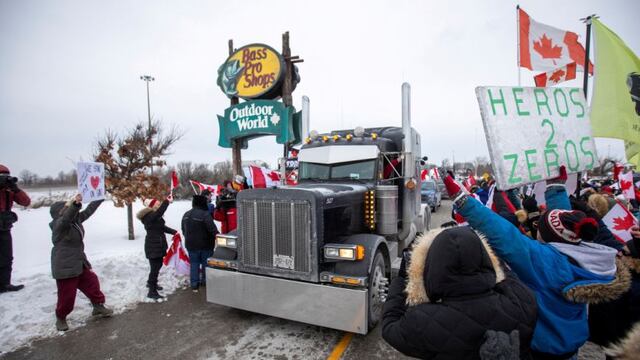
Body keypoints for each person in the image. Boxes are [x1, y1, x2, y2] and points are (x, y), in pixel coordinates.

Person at [443, 167, 631, 359]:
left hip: (539, 349)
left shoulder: (545, 260)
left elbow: (503, 234)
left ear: (548, 235)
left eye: (541, 227)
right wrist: (555, 187)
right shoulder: (584, 256)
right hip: (569, 349)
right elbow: (563, 220)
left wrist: (463, 201)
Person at [382, 226, 537, 359]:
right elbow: (506, 275)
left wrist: (403, 277)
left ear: (432, 267)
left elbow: (390, 326)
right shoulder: (522, 302)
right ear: (484, 258)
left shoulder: (421, 322)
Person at [49, 194, 112, 331]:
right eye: (67, 207)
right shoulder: (58, 225)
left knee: (92, 281)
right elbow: (66, 219)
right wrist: (75, 205)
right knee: (67, 296)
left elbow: (89, 211)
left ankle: (98, 307)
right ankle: (61, 317)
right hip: (65, 265)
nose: (69, 208)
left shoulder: (75, 221)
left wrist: (99, 196)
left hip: (78, 261)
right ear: (60, 212)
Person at [137, 197, 177, 300]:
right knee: (155, 268)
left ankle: (151, 284)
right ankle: (152, 291)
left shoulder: (154, 217)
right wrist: (167, 202)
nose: (159, 206)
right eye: (157, 205)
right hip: (153, 246)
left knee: (156, 267)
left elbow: (162, 227)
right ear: (152, 206)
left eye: (159, 204)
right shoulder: (149, 216)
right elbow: (159, 213)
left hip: (158, 245)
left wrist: (174, 232)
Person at [0, 164, 30, 293]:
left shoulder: (9, 190)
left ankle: (5, 284)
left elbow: (26, 202)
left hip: (5, 227)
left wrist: (15, 189)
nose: (5, 179)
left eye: (7, 176)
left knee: (7, 257)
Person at [182, 194, 218, 292]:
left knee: (194, 264)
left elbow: (183, 230)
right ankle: (205, 281)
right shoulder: (205, 214)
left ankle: (194, 284)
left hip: (191, 245)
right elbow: (212, 229)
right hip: (205, 245)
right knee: (206, 263)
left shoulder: (186, 214)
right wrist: (218, 237)